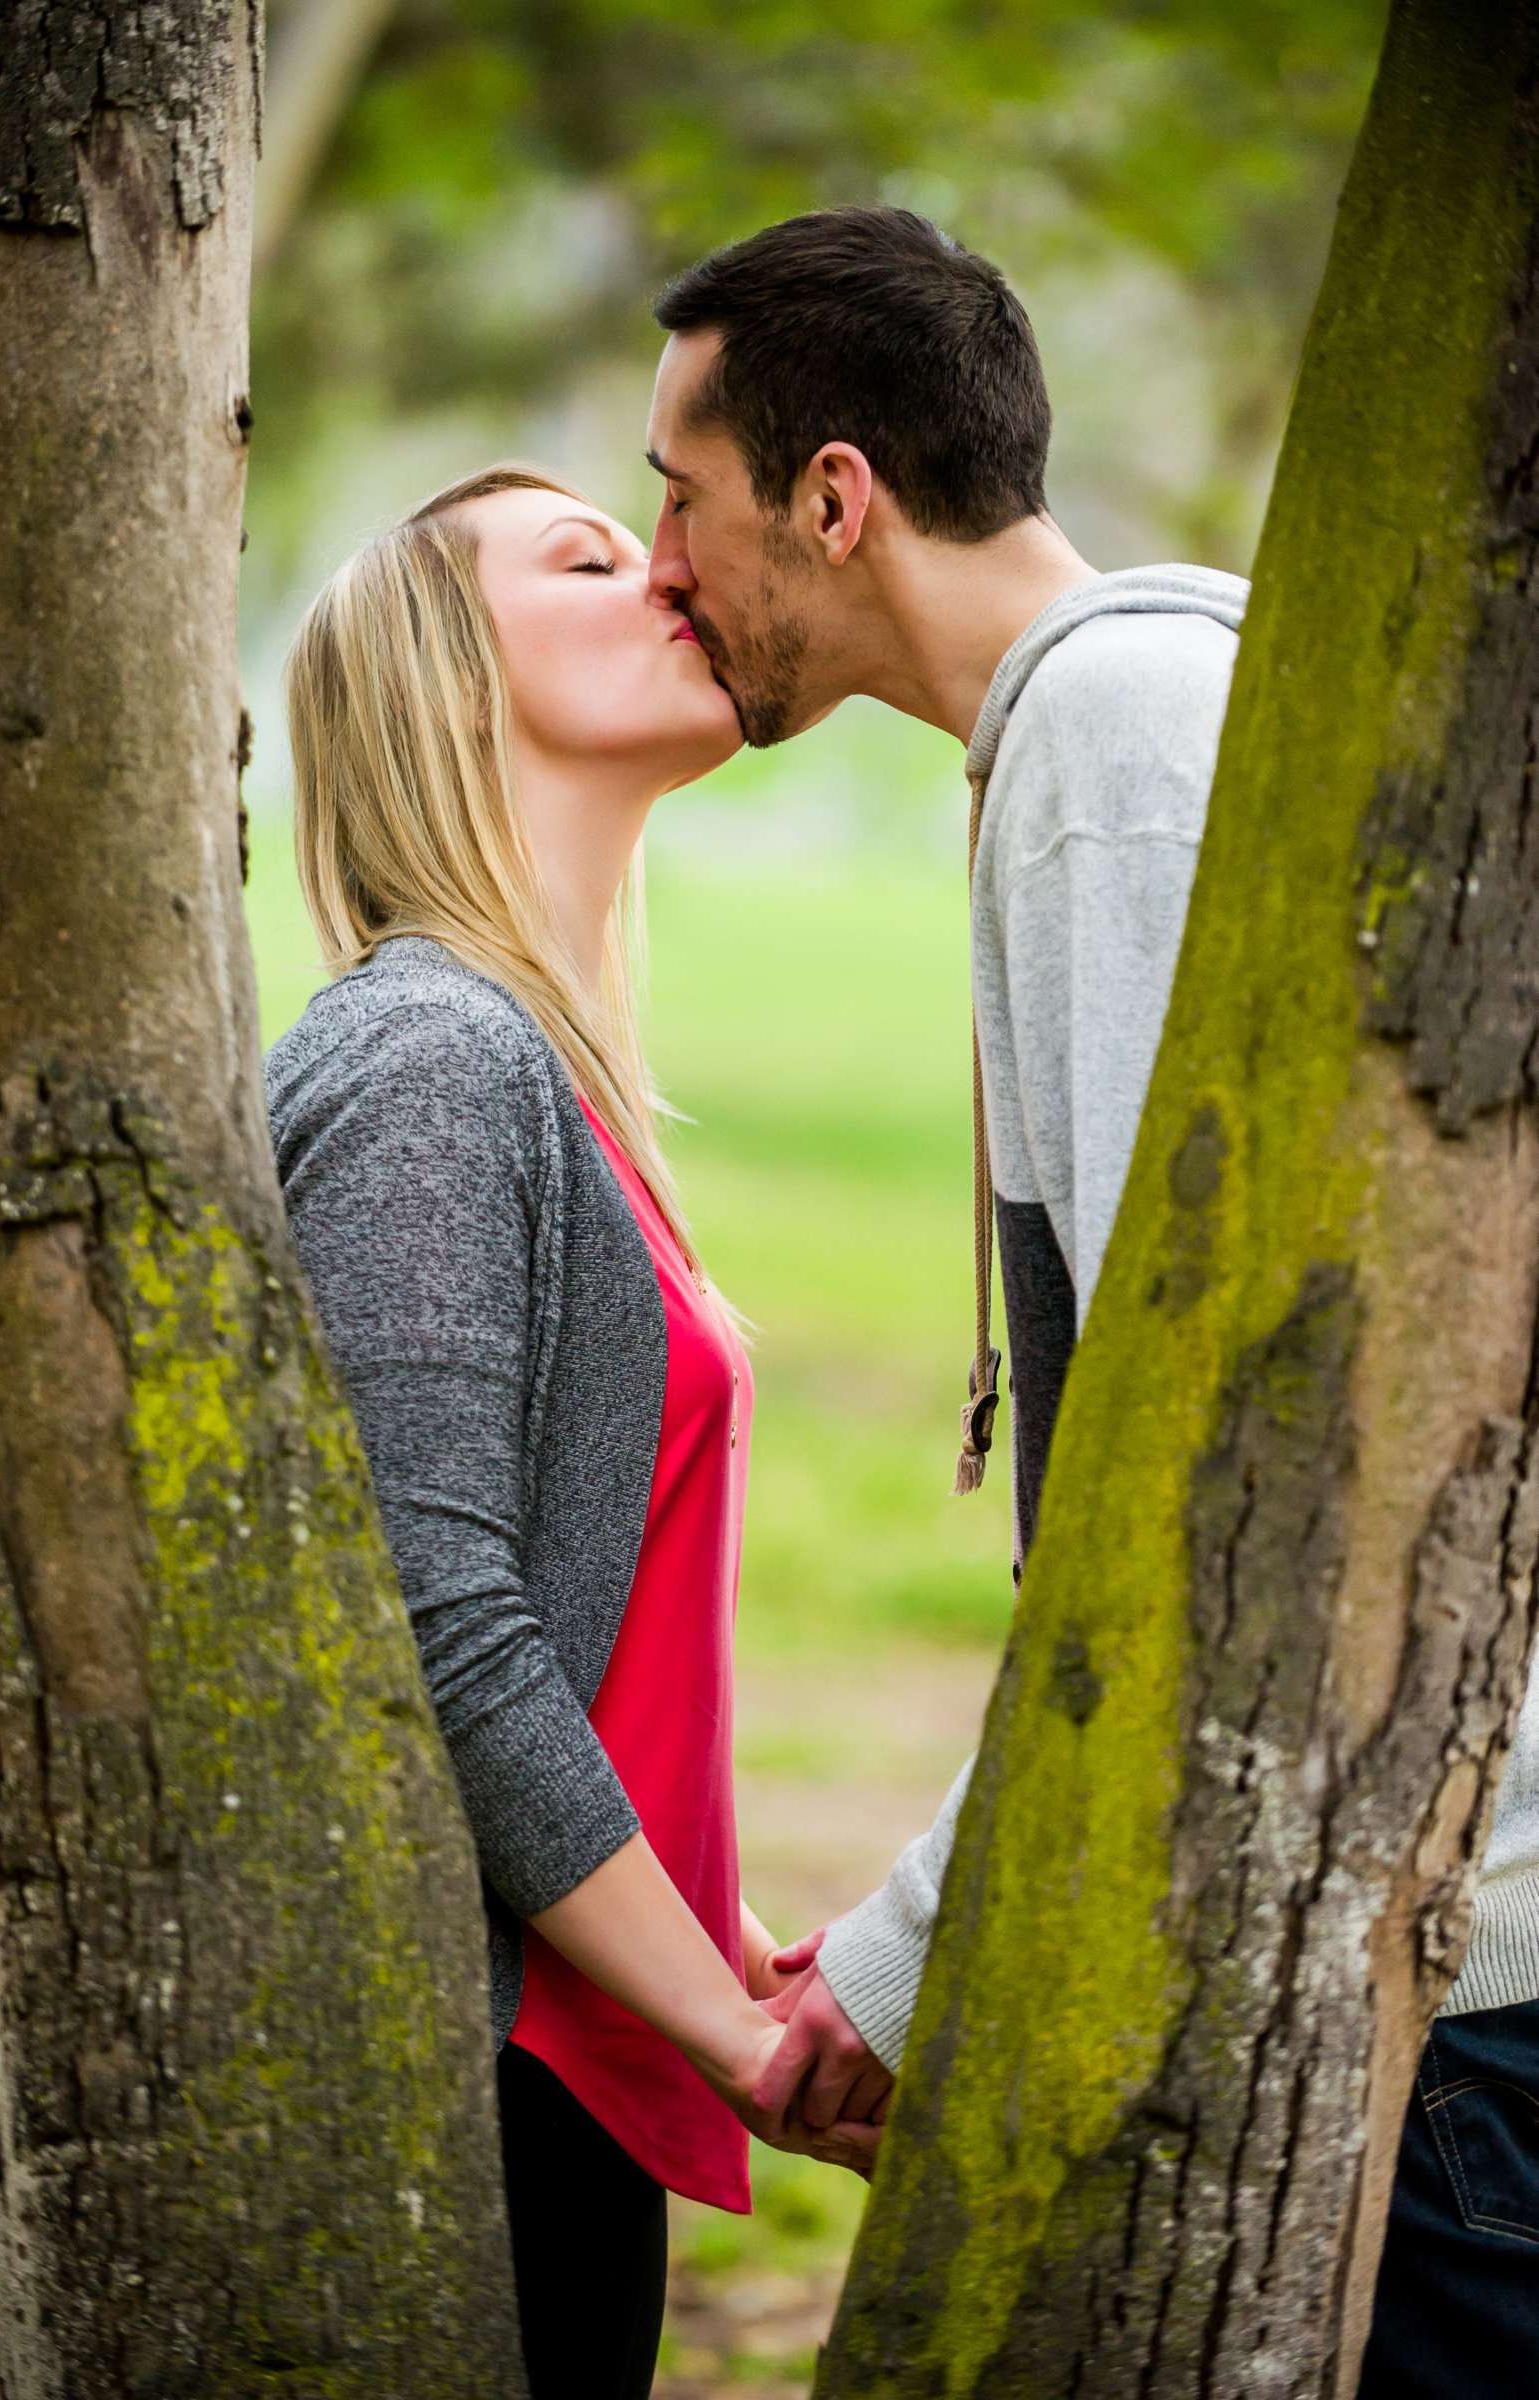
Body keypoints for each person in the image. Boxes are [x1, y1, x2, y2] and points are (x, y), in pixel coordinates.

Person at [642, 205, 1539, 2391]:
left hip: (1461, 1982)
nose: (662, 563)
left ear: (832, 495)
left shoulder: (1112, 752)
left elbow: (1213, 1460)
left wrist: (897, 1949)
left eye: (679, 494)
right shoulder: (1139, 710)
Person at [265, 467, 878, 2400]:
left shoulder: (524, 1064)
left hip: (569, 2056)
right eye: (591, 561)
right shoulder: (435, 1062)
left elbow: (581, 1628)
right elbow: (438, 1624)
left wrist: (753, 1952)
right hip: (475, 2082)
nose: (669, 569)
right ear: (451, 686)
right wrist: (733, 2029)